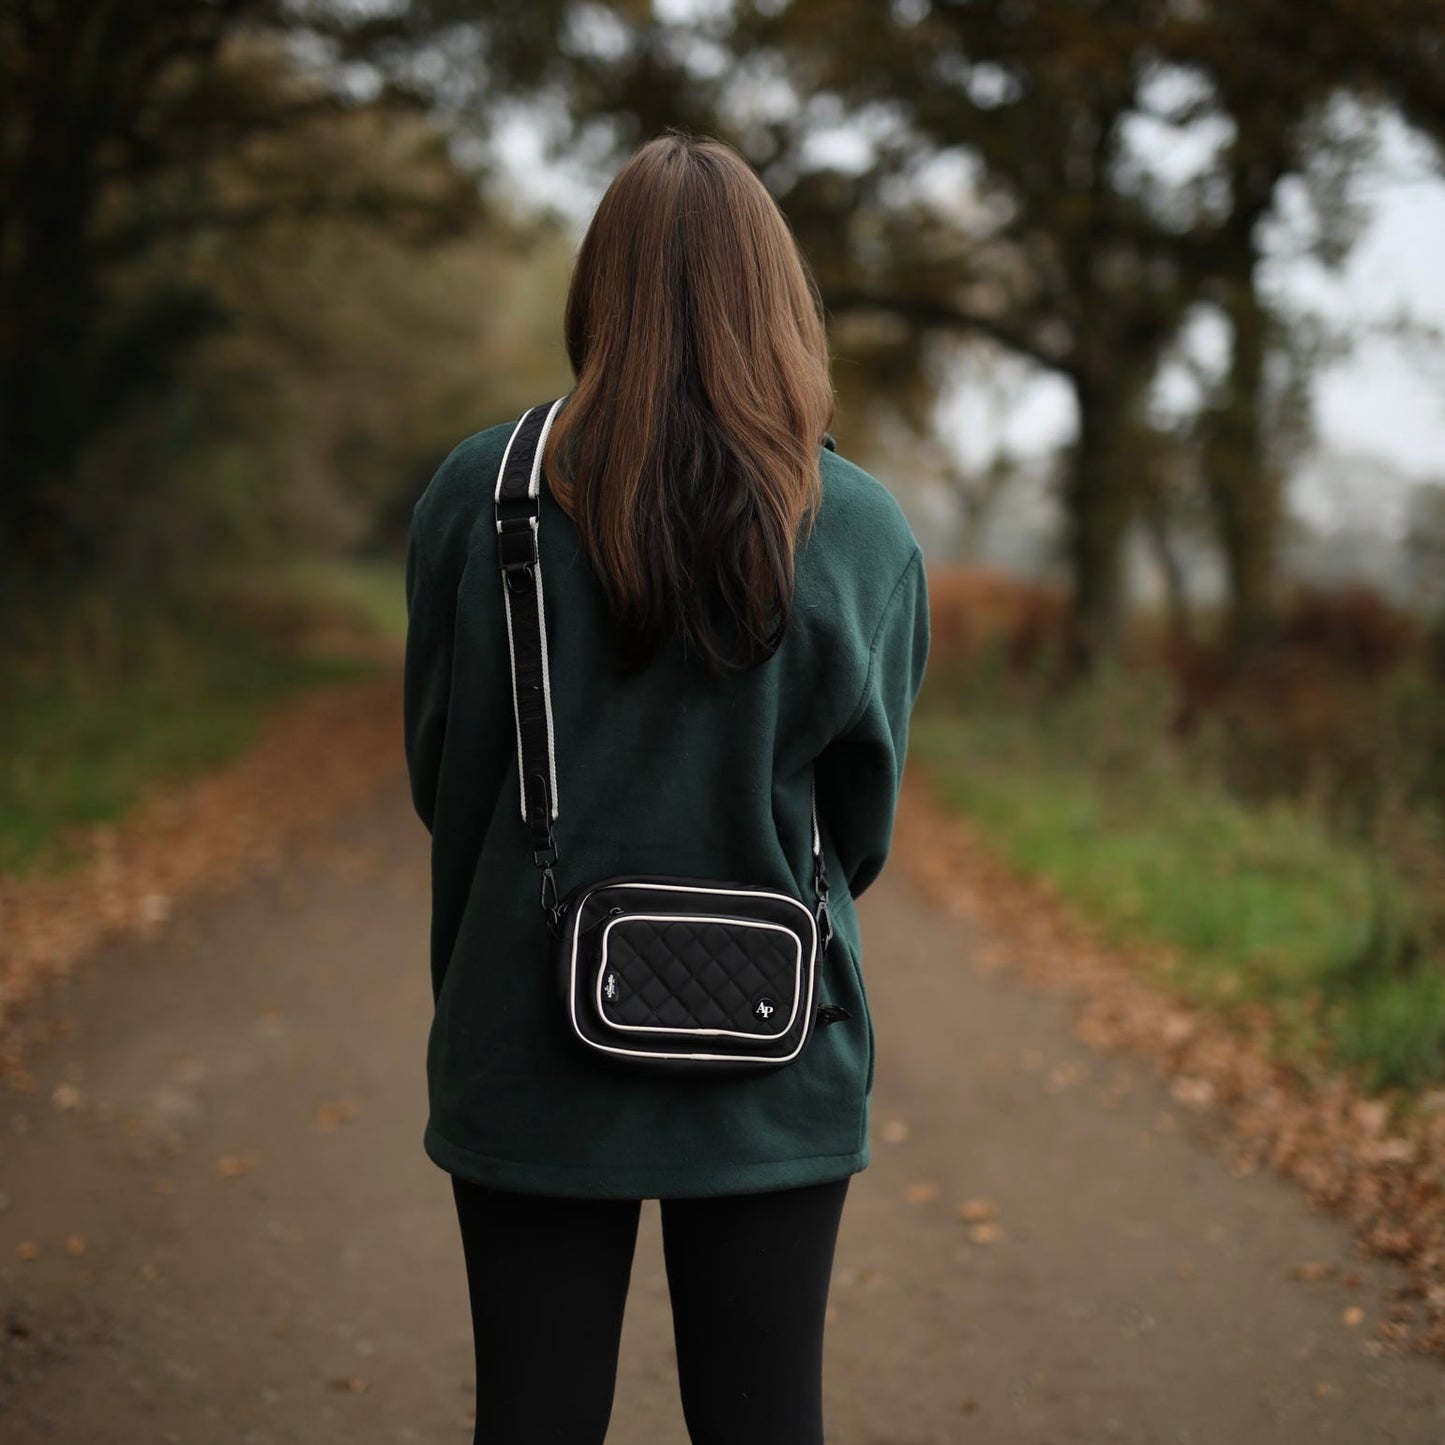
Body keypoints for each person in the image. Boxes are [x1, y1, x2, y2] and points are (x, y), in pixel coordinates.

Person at [403, 129, 930, 1445]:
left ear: (601, 286)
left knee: (529, 1417)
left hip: (521, 1035)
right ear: (776, 294)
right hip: (773, 1046)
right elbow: (857, 828)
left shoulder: (487, 495)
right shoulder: (856, 524)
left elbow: (443, 774)